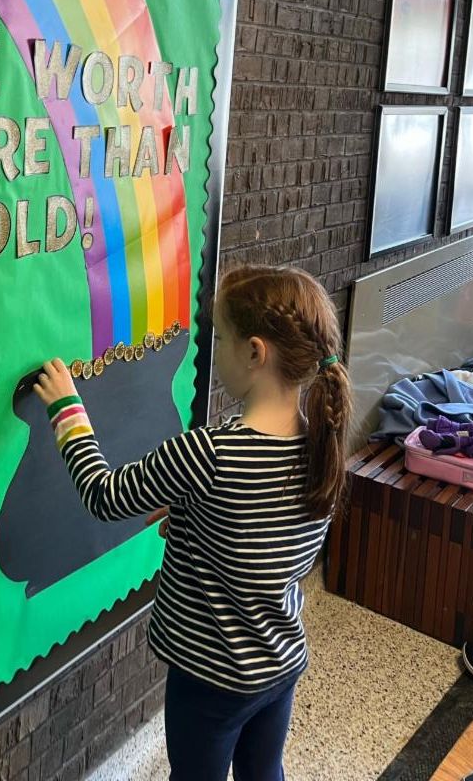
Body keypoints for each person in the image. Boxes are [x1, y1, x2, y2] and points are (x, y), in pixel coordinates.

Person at [33, 263, 352, 781]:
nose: (212, 348)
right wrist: (193, 514)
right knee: (264, 772)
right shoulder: (322, 446)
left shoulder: (209, 453)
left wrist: (66, 407)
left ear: (255, 353)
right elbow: (259, 545)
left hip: (211, 678)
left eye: (220, 337)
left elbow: (104, 496)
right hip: (280, 661)